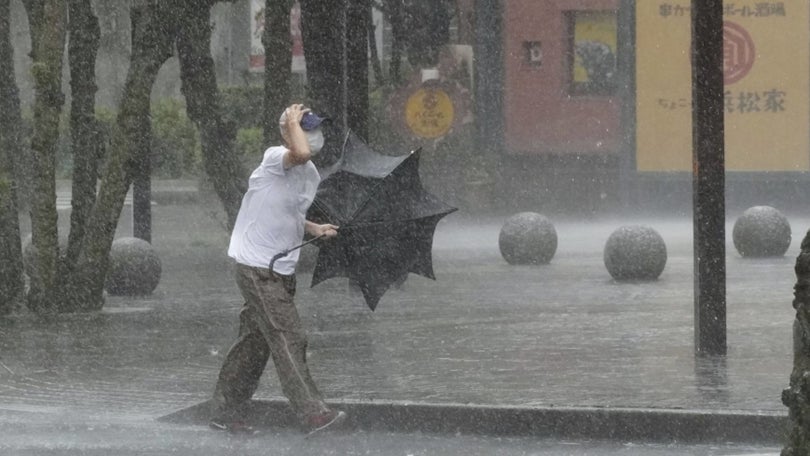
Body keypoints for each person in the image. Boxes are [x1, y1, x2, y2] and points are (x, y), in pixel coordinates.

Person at [209, 103, 345, 435]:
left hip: (281, 270)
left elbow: (289, 211)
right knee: (289, 335)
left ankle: (225, 412)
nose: (314, 136)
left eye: (315, 128)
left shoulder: (308, 174)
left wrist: (313, 228)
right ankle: (312, 413)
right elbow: (298, 151)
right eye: (305, 127)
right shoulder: (275, 158)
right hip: (257, 267)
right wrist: (291, 123)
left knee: (254, 343)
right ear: (287, 133)